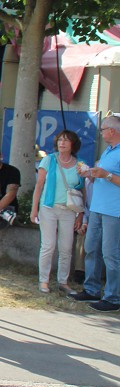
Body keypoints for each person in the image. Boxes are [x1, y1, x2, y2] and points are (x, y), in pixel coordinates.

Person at [70, 114, 120, 311]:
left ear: (112, 131)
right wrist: (90, 174)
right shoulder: (108, 151)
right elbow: (103, 176)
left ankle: (113, 297)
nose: (101, 133)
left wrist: (106, 175)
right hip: (98, 208)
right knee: (91, 248)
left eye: (103, 129)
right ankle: (91, 289)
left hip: (114, 211)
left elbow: (111, 177)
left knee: (111, 254)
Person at [30, 130, 87, 294]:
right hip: (48, 208)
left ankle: (63, 282)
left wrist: (81, 213)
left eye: (66, 140)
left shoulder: (80, 164)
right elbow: (39, 186)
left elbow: (81, 190)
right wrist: (34, 209)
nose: (62, 143)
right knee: (48, 246)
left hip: (69, 210)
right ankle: (44, 281)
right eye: (60, 140)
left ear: (73, 144)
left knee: (66, 248)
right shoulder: (49, 160)